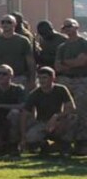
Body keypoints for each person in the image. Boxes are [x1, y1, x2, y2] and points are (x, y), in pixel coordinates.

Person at [21, 66, 76, 155]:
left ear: (53, 78)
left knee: (73, 118)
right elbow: (24, 115)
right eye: (39, 78)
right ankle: (46, 147)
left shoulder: (61, 89)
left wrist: (56, 116)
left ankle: (65, 144)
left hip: (58, 122)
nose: (42, 81)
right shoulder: (34, 94)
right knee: (31, 138)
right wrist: (23, 138)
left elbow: (72, 108)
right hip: (42, 123)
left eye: (45, 78)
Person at [54, 18, 87, 153]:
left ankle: (82, 141)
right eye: (65, 27)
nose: (67, 29)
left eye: (70, 26)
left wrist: (66, 63)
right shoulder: (62, 47)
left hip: (81, 80)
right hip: (65, 81)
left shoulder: (84, 43)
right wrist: (72, 62)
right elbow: (57, 67)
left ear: (77, 27)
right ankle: (65, 141)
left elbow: (82, 62)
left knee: (81, 110)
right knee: (65, 110)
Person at [0, 15, 35, 94]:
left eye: (8, 22)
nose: (5, 24)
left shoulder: (23, 41)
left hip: (19, 78)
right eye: (3, 22)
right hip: (0, 78)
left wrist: (32, 80)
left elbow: (30, 62)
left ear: (15, 24)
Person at [0, 65, 26, 155]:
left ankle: (14, 145)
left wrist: (2, 106)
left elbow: (23, 106)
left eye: (4, 74)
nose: (0, 76)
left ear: (11, 76)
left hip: (17, 122)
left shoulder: (18, 89)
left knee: (14, 113)